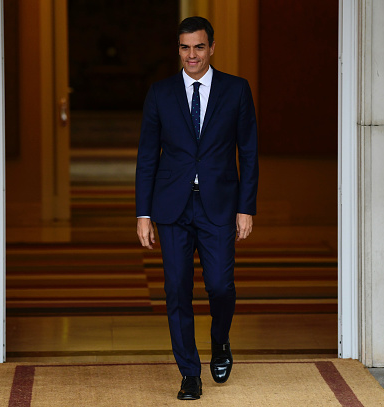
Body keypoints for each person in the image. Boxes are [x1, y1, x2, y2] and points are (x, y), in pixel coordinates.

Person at [136, 16, 258, 400]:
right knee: (177, 291)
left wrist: (246, 207)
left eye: (199, 47)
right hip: (172, 207)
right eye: (185, 47)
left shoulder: (236, 90)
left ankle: (219, 340)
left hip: (219, 206)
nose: (192, 54)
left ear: (212, 47)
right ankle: (189, 372)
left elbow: (249, 153)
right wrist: (143, 213)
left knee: (220, 286)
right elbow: (146, 158)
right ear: (179, 49)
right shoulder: (160, 93)